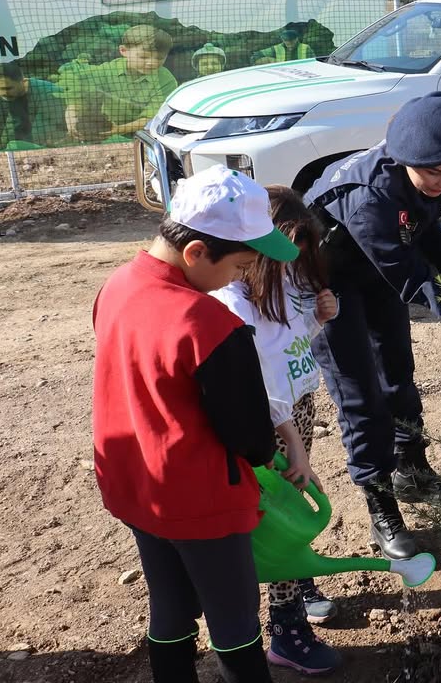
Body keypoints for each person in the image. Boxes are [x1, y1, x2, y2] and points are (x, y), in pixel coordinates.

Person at [92, 164, 300, 683]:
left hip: (138, 486)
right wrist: (272, 454)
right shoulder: (210, 324)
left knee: (169, 606)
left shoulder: (116, 286)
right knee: (233, 619)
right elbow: (249, 436)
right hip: (201, 497)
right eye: (239, 267)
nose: (240, 279)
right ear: (196, 253)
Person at [303, 92, 441, 560]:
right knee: (359, 395)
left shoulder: (431, 165)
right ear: (404, 157)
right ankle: (382, 505)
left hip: (375, 272)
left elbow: (425, 230)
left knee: (398, 370)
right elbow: (410, 277)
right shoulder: (371, 194)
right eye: (435, 173)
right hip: (329, 283)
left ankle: (411, 471)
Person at [210, 186, 341, 676]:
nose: (293, 267)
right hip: (269, 428)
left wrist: (318, 318)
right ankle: (286, 630)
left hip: (296, 413)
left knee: (293, 505)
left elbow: (288, 346)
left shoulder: (279, 282)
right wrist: (289, 443)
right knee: (279, 518)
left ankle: (299, 580)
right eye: (285, 256)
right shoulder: (234, 301)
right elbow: (255, 382)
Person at [63, 24, 177, 141]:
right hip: (107, 130)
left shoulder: (166, 80)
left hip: (149, 137)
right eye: (143, 57)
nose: (152, 63)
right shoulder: (107, 71)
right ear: (123, 51)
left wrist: (117, 129)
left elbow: (153, 118)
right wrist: (72, 116)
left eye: (159, 58)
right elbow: (78, 90)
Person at [0, 62, 67, 151]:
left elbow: (40, 136)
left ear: (23, 81)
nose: (1, 93)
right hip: (20, 138)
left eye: (7, 88)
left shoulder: (51, 93)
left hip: (55, 140)